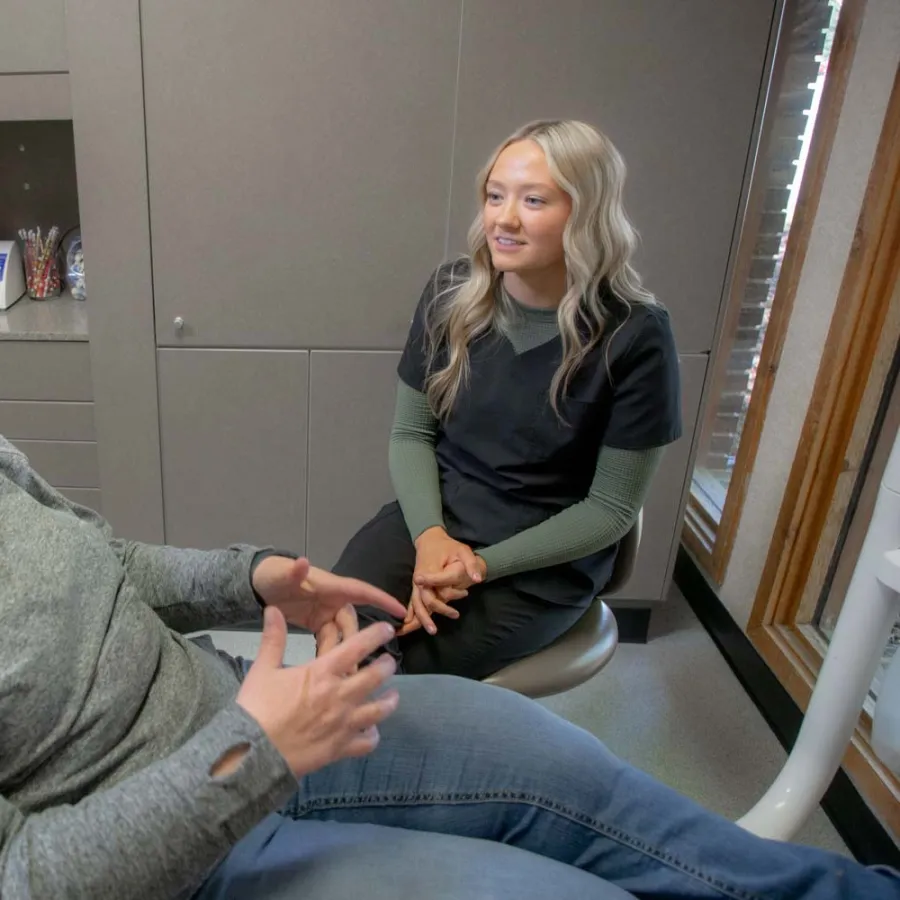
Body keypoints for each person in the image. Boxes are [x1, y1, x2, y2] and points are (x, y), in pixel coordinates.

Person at [2, 436, 898, 900]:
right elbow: (27, 881)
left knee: (577, 778)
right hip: (182, 856)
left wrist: (251, 576)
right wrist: (250, 753)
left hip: (243, 712)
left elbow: (105, 557)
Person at [333, 119, 682, 679]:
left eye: (533, 200)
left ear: (586, 212)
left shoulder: (636, 334)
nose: (504, 218)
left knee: (403, 671)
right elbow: (411, 433)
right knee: (342, 627)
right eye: (495, 196)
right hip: (437, 519)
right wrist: (430, 538)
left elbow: (611, 510)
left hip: (542, 558)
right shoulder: (451, 294)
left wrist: (476, 567)